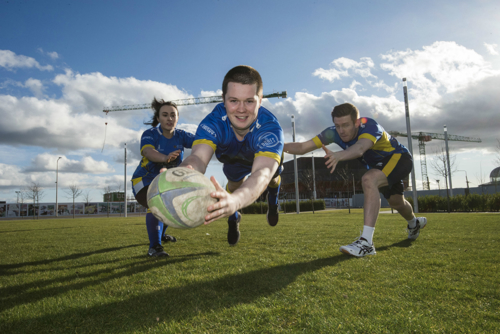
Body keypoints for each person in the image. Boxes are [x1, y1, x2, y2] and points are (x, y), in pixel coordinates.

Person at [283, 103, 427, 257]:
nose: (341, 131)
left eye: (346, 125)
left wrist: (338, 156)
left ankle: (366, 243)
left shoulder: (370, 125)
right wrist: (276, 147)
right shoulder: (333, 133)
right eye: (337, 126)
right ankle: (414, 223)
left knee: (369, 179)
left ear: (357, 122)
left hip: (399, 158)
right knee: (396, 202)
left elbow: (360, 148)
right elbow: (303, 147)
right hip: (378, 166)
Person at [180, 65, 284, 246]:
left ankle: (273, 199)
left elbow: (261, 174)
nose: (241, 109)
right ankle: (233, 219)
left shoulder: (271, 129)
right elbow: (197, 158)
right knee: (234, 186)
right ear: (223, 99)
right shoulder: (213, 122)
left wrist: (236, 201)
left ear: (260, 100)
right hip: (234, 161)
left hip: (261, 161)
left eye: (249, 101)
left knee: (272, 179)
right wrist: (183, 173)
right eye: (234, 101)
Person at [131, 98, 195, 257]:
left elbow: (202, 143)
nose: (169, 118)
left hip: (165, 182)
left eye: (173, 115)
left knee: (172, 208)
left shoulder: (181, 135)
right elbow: (148, 152)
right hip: (143, 181)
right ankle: (154, 247)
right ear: (158, 119)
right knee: (156, 203)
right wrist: (165, 158)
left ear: (178, 118)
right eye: (165, 115)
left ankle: (160, 235)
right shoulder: (150, 134)